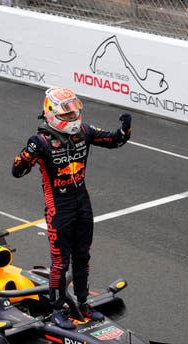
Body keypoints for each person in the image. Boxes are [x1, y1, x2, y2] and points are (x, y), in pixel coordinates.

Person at [12, 87, 131, 329]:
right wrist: (28, 154)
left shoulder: (85, 132)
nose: (73, 117)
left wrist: (124, 129)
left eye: (74, 112)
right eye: (66, 114)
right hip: (58, 208)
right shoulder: (41, 142)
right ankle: (56, 310)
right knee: (59, 262)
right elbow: (16, 170)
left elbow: (113, 140)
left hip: (82, 204)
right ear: (52, 113)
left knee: (82, 257)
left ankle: (84, 304)